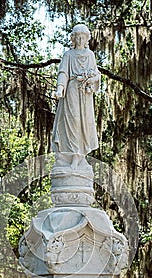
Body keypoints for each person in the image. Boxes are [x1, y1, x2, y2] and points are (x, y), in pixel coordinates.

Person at [52, 24, 100, 171]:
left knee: (83, 124)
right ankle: (71, 155)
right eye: (77, 36)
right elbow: (63, 73)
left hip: (85, 94)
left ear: (87, 38)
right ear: (73, 38)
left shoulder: (90, 55)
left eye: (83, 37)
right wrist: (60, 89)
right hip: (72, 90)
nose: (80, 39)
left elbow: (97, 74)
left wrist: (92, 80)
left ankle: (80, 157)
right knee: (72, 122)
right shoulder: (68, 55)